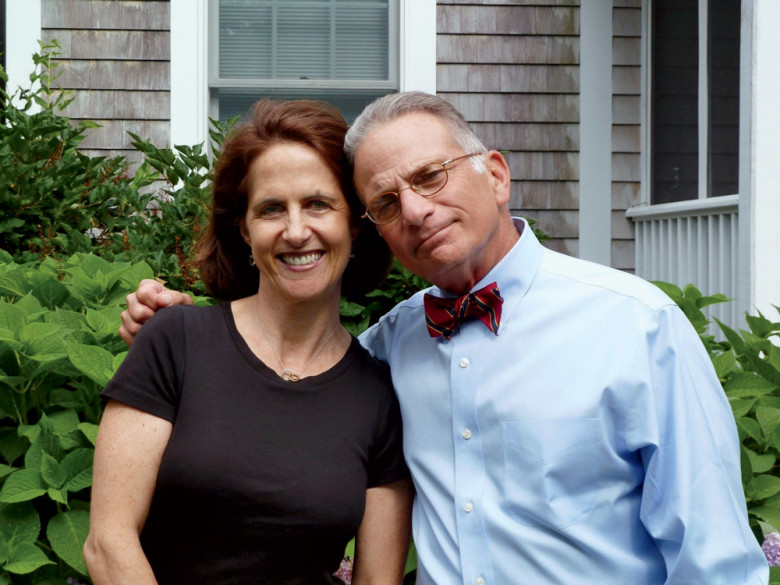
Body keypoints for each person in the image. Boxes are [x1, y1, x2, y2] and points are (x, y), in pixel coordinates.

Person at [121, 92, 769, 584]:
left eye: (431, 177)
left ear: (495, 173)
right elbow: (280, 366)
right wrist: (180, 328)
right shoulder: (383, 353)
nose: (418, 211)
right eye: (386, 201)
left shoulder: (636, 326)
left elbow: (713, 560)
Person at [84, 99, 413, 585]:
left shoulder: (379, 393)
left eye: (319, 204)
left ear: (355, 223)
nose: (297, 231)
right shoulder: (175, 343)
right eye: (271, 209)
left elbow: (377, 581)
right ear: (244, 229)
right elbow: (109, 544)